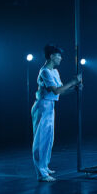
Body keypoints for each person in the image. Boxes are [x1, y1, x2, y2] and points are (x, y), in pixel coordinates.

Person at [32, 44, 82, 182]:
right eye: (58, 55)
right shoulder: (45, 71)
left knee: (48, 139)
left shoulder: (55, 72)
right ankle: (41, 173)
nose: (61, 58)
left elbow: (61, 91)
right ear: (52, 56)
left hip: (50, 106)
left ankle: (45, 166)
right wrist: (73, 81)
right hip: (42, 106)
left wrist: (74, 88)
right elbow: (55, 91)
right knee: (41, 140)